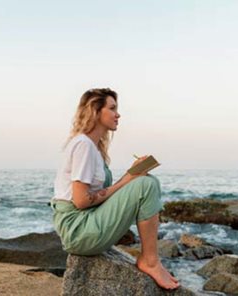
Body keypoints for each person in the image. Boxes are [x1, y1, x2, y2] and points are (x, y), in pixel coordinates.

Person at [51, 88, 180, 290]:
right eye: (112, 108)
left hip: (85, 224)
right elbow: (81, 200)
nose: (118, 114)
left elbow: (102, 195)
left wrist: (131, 175)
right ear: (95, 111)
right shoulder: (83, 145)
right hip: (79, 230)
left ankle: (151, 259)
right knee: (147, 185)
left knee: (145, 181)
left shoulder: (92, 148)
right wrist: (129, 180)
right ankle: (150, 261)